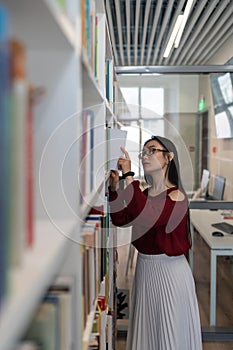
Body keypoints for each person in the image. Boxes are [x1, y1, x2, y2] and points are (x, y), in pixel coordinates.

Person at [108, 135, 202, 350]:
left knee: (169, 333)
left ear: (169, 157)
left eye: (152, 150)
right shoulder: (144, 194)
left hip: (170, 273)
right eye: (143, 153)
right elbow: (121, 218)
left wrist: (129, 176)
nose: (145, 156)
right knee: (148, 333)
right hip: (145, 269)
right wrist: (114, 190)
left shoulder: (177, 196)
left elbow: (150, 215)